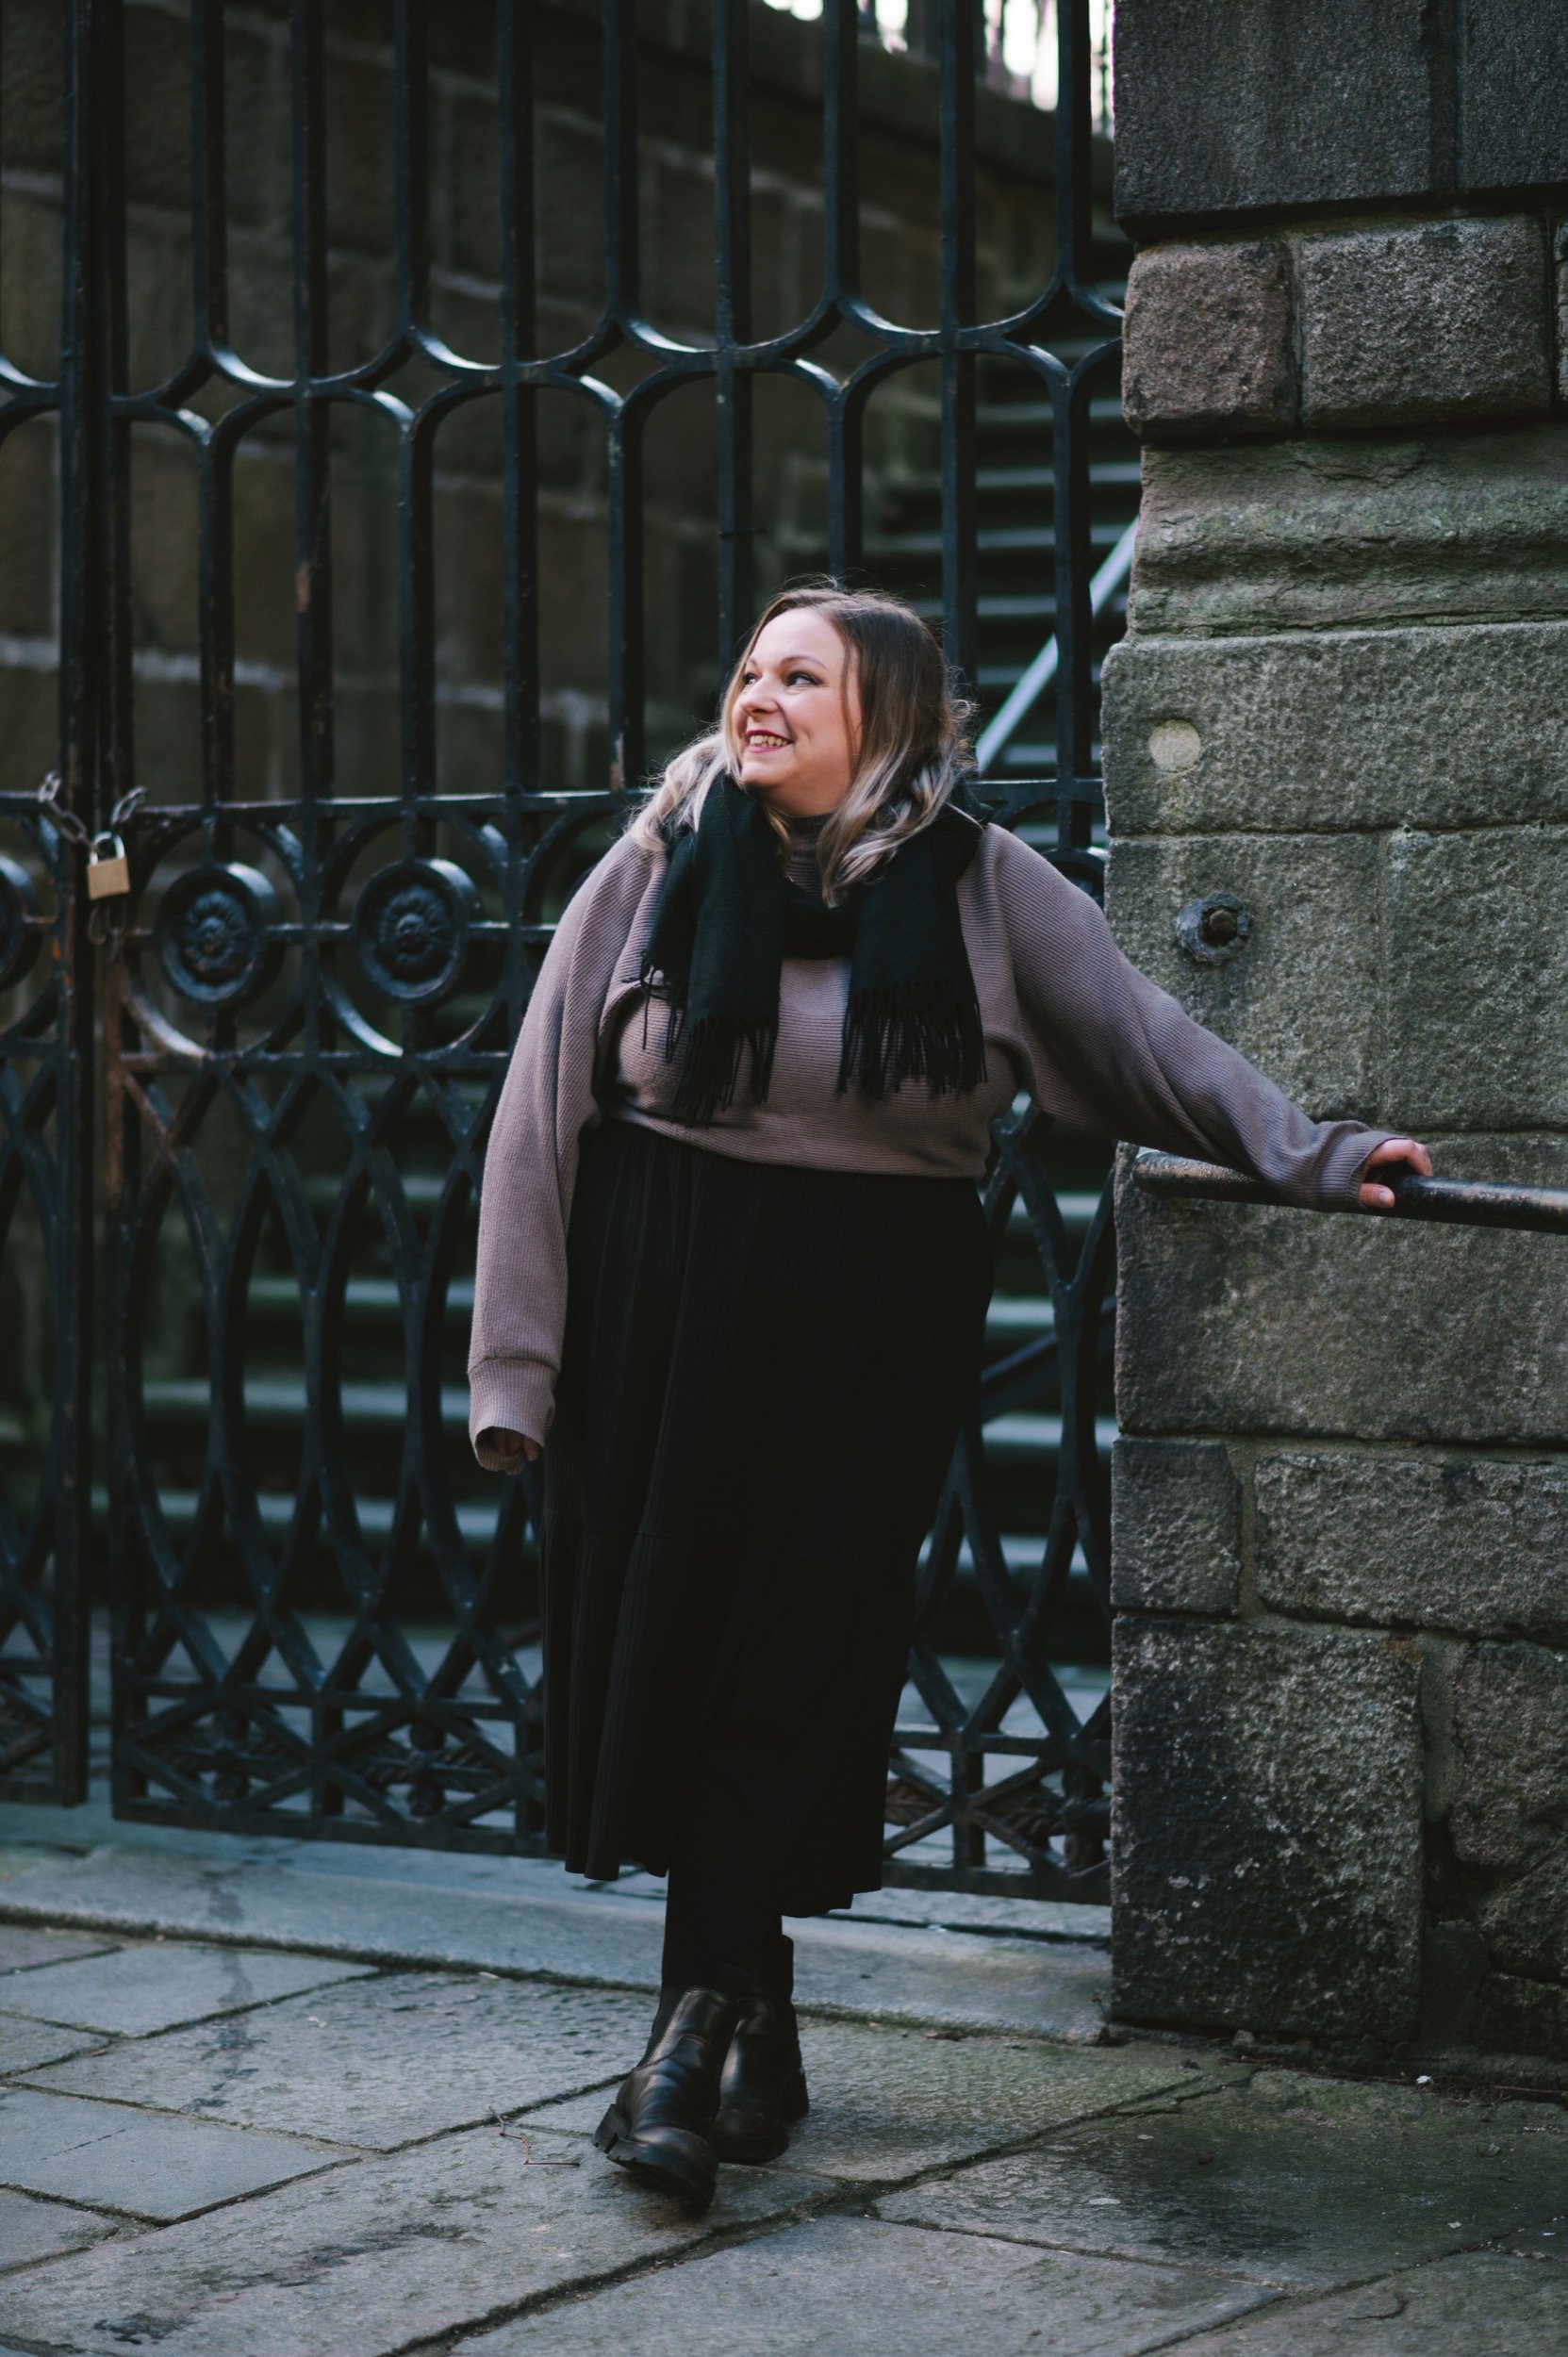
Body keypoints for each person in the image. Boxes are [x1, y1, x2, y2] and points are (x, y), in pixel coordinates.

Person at [467, 584, 1428, 2209]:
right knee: (689, 1649)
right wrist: (518, 1359)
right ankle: (725, 2029)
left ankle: (694, 2038)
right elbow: (541, 1096)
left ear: (887, 718)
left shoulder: (986, 887)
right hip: (660, 1302)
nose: (756, 695)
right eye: (749, 667)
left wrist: (1319, 1155)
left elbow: (1148, 1048)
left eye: (801, 676)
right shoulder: (658, 858)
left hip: (868, 1321)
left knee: (798, 1645)